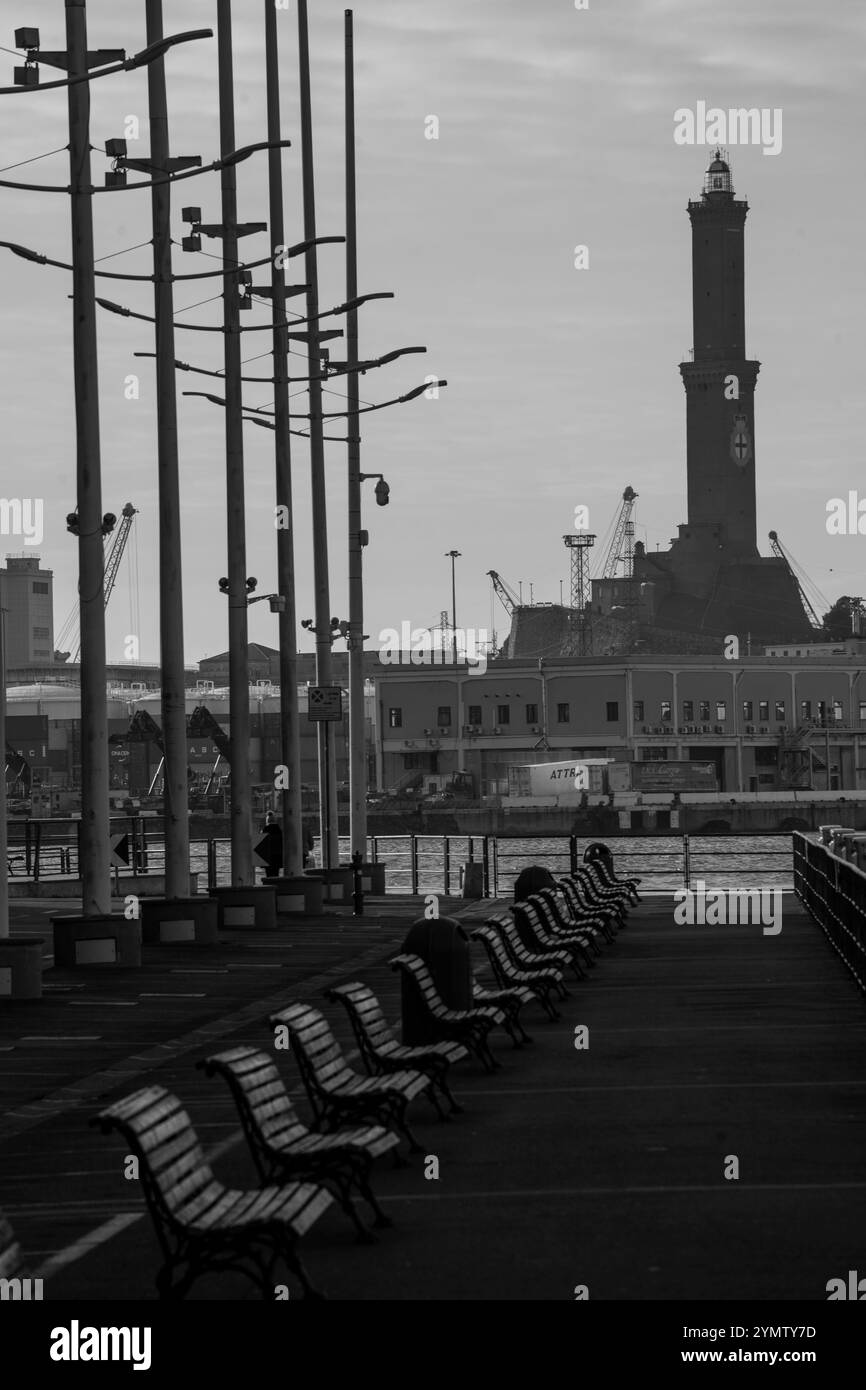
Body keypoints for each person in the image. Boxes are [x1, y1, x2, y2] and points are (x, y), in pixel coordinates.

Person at [259, 811, 283, 879]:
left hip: (267, 856)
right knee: (276, 873)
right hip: (278, 855)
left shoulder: (265, 830)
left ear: (267, 820)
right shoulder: (279, 830)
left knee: (268, 874)